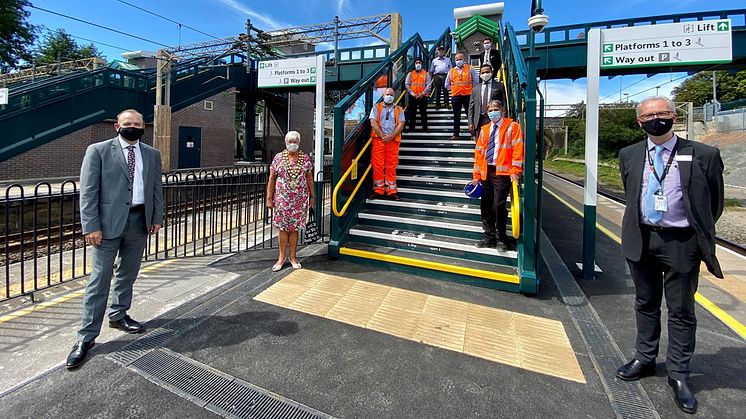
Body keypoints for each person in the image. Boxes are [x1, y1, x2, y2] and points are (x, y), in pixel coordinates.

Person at [616, 96, 724, 415]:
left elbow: (712, 203)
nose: (656, 118)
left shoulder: (703, 154)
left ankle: (678, 374)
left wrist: (694, 232)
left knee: (680, 310)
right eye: (649, 115)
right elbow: (631, 191)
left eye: (663, 113)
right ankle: (645, 358)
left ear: (674, 117)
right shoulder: (630, 155)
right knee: (645, 303)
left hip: (682, 242)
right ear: (640, 122)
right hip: (643, 238)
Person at [66, 109, 164, 369]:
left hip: (138, 222)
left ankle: (118, 315)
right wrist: (91, 226)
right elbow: (88, 193)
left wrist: (156, 217)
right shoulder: (97, 151)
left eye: (138, 124)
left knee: (128, 274)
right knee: (99, 280)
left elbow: (156, 188)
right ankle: (86, 337)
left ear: (144, 127)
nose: (133, 127)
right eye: (128, 123)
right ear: (117, 126)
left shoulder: (152, 154)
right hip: (106, 226)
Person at [471, 100, 523, 252]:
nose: (493, 112)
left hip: (502, 173)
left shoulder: (512, 127)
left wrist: (515, 171)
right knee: (486, 206)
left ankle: (502, 239)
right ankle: (489, 237)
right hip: (486, 171)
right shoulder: (485, 129)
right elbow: (479, 154)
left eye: (495, 109)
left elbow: (517, 150)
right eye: (490, 110)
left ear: (502, 110)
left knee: (498, 206)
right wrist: (476, 174)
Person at [266, 131, 315, 272]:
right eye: (290, 141)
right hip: (282, 200)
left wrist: (313, 196)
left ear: (298, 143)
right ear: (285, 142)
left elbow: (309, 179)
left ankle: (293, 257)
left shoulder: (305, 159)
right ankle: (281, 258)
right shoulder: (278, 158)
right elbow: (272, 179)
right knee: (282, 228)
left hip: (299, 200)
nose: (292, 144)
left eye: (295, 141)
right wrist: (269, 198)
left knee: (294, 229)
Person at [369, 87, 405, 200]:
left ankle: (391, 190)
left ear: (394, 96)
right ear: (383, 95)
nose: (389, 96)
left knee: (391, 165)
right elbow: (373, 122)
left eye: (391, 95)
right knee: (377, 165)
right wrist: (383, 136)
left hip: (393, 142)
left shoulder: (399, 109)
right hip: (379, 140)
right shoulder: (376, 107)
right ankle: (378, 190)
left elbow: (401, 124)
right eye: (387, 94)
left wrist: (391, 136)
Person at [445, 52, 478, 140]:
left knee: (470, 115)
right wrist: (453, 89)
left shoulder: (470, 68)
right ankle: (456, 134)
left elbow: (476, 81)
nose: (459, 61)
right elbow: (447, 84)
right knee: (456, 116)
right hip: (456, 96)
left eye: (460, 59)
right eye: (457, 59)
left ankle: (473, 134)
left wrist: (471, 91)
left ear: (464, 60)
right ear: (454, 60)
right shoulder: (451, 71)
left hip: (468, 95)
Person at [468, 64, 506, 138]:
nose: (485, 74)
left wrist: (503, 119)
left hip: (494, 118)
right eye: (483, 73)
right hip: (479, 120)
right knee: (480, 144)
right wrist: (470, 122)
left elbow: (503, 104)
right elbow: (471, 107)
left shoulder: (499, 86)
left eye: (487, 72)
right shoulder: (475, 89)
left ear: (491, 72)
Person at [405, 57, 432, 132]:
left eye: (419, 63)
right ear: (414, 64)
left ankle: (425, 128)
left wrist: (422, 94)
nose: (418, 64)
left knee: (423, 112)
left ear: (422, 64)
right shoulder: (410, 74)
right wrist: (412, 94)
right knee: (412, 113)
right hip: (413, 96)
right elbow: (407, 85)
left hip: (422, 96)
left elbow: (429, 85)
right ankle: (411, 128)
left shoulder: (426, 74)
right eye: (416, 63)